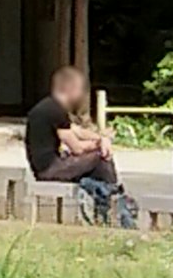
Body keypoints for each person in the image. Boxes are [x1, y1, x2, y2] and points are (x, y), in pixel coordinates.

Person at [24, 62, 135, 226]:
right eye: (80, 89)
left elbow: (76, 131)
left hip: (46, 165)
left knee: (98, 161)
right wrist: (100, 146)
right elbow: (76, 147)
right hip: (49, 169)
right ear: (70, 89)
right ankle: (115, 201)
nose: (82, 95)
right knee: (100, 158)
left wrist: (99, 138)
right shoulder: (55, 110)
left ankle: (110, 200)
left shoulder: (50, 107)